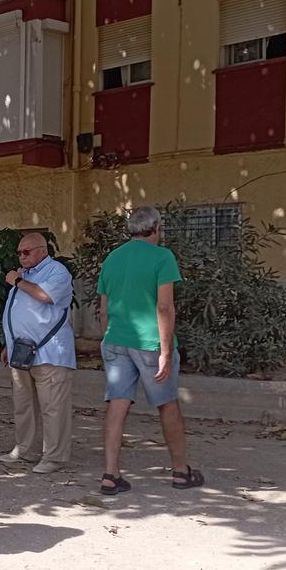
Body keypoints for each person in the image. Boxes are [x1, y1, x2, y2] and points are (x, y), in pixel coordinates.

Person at [96, 205, 205, 495]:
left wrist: (107, 338)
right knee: (167, 404)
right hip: (150, 343)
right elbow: (165, 306)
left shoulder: (113, 258)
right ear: (156, 227)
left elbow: (104, 309)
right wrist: (166, 352)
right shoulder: (162, 257)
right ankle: (181, 471)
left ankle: (110, 474)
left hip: (116, 340)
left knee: (117, 404)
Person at [0, 232, 76, 474]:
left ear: (43, 250)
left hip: (50, 353)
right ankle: (24, 449)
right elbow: (19, 311)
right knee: (23, 404)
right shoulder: (26, 275)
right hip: (21, 352)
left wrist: (17, 282)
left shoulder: (56, 272)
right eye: (19, 252)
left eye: (27, 252)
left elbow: (45, 296)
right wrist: (8, 344)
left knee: (53, 407)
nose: (22, 256)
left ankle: (55, 457)